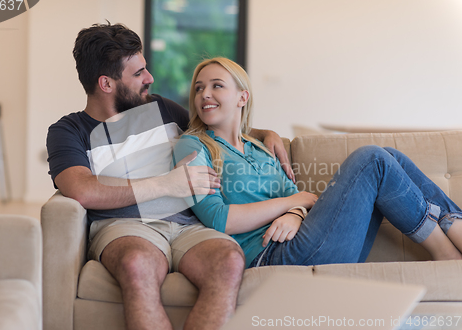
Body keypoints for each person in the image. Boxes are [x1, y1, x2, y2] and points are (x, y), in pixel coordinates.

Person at [46, 23, 292, 330]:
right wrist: (167, 184)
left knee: (228, 260)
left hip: (189, 226)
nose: (149, 78)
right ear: (106, 84)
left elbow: (212, 122)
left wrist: (264, 133)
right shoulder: (69, 131)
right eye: (138, 74)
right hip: (124, 227)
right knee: (137, 264)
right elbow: (82, 189)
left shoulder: (159, 107)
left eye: (145, 69)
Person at [173, 56, 462, 270]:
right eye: (199, 88)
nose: (204, 94)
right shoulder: (193, 145)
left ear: (242, 97)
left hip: (309, 242)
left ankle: (453, 237)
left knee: (390, 155)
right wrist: (294, 202)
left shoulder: (260, 147)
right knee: (371, 158)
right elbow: (220, 219)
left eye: (216, 85)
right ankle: (449, 255)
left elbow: (298, 200)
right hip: (274, 257)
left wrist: (295, 213)